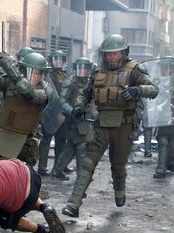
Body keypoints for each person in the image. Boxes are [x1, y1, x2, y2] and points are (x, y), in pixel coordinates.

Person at [61, 34, 158, 217]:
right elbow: (86, 93)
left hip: (124, 126)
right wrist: (79, 105)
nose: (111, 58)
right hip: (101, 125)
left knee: (118, 165)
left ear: (123, 53)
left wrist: (137, 90)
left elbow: (154, 89)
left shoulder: (135, 70)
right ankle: (73, 204)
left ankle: (120, 192)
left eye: (115, 54)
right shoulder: (97, 71)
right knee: (87, 163)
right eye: (108, 54)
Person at [0, 52, 54, 165]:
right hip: (5, 138)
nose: (33, 76)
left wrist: (11, 70)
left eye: (37, 73)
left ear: (42, 74)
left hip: (26, 142)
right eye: (30, 72)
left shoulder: (47, 90)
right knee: (2, 173)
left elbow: (29, 93)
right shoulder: (9, 82)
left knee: (24, 176)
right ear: (24, 70)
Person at [51, 57, 95, 182]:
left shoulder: (89, 82)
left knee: (71, 147)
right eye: (80, 68)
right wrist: (71, 111)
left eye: (86, 69)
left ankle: (58, 169)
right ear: (76, 69)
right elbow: (62, 100)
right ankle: (82, 174)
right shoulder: (70, 82)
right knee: (81, 146)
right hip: (73, 118)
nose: (83, 71)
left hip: (85, 118)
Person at [38, 50, 70, 176]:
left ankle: (59, 167)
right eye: (55, 60)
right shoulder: (47, 75)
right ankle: (42, 168)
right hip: (50, 111)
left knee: (61, 141)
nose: (58, 63)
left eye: (60, 60)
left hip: (62, 113)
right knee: (46, 141)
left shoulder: (66, 75)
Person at [153, 57, 174, 179]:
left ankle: (161, 169)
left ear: (168, 68)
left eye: (163, 68)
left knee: (163, 139)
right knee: (168, 139)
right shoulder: (167, 79)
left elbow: (167, 94)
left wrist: (158, 83)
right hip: (164, 113)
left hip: (169, 113)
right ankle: (170, 163)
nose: (161, 70)